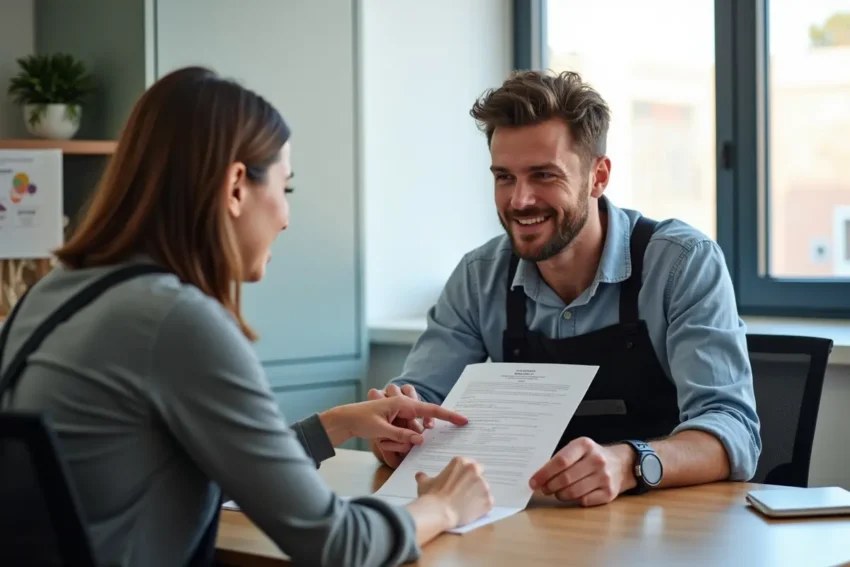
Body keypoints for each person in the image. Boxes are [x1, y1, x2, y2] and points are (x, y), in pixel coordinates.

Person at [0, 66, 494, 567]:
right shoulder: (176, 322)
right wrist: (442, 507)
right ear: (236, 186)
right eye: (287, 188)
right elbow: (340, 545)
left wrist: (334, 425)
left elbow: (199, 469)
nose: (286, 216)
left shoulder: (48, 294)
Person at [370, 70, 762, 507]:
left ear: (599, 176)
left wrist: (628, 463)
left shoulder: (682, 263)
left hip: (661, 528)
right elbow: (422, 399)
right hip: (528, 526)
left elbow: (733, 430)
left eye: (543, 175)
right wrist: (398, 427)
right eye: (504, 177)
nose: (520, 200)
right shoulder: (478, 276)